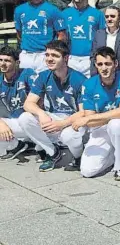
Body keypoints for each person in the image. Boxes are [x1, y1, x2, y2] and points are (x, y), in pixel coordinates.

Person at [18, 41, 86, 172]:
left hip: (74, 120)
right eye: (47, 55)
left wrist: (62, 124)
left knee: (68, 136)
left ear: (66, 58)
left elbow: (84, 112)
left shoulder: (79, 79)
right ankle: (53, 153)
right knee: (25, 118)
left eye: (54, 55)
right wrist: (41, 113)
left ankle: (78, 156)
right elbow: (28, 103)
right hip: (54, 117)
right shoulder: (44, 76)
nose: (49, 59)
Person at [72, 47, 120, 181]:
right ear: (95, 65)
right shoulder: (88, 84)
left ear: (115, 64)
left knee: (116, 124)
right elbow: (92, 120)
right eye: (100, 64)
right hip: (100, 129)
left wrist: (90, 118)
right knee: (87, 171)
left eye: (108, 64)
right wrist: (111, 115)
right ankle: (112, 155)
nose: (104, 68)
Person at [14, 0, 66, 73]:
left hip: (44, 56)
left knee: (45, 88)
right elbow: (19, 34)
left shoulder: (53, 10)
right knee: (25, 87)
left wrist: (52, 53)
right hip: (26, 56)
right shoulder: (19, 10)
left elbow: (62, 36)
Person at [63, 0, 106, 77]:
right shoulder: (65, 14)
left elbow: (102, 37)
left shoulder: (97, 14)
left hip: (89, 59)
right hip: (71, 58)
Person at [0, 46, 36, 160]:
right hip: (13, 122)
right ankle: (18, 145)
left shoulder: (28, 73)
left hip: (31, 122)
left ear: (17, 62)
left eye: (7, 61)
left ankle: (29, 142)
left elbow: (39, 99)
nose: (3, 64)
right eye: (0, 60)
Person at [90, 6, 120, 77]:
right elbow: (93, 56)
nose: (109, 19)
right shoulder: (98, 34)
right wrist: (94, 76)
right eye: (107, 17)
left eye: (112, 16)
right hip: (102, 76)